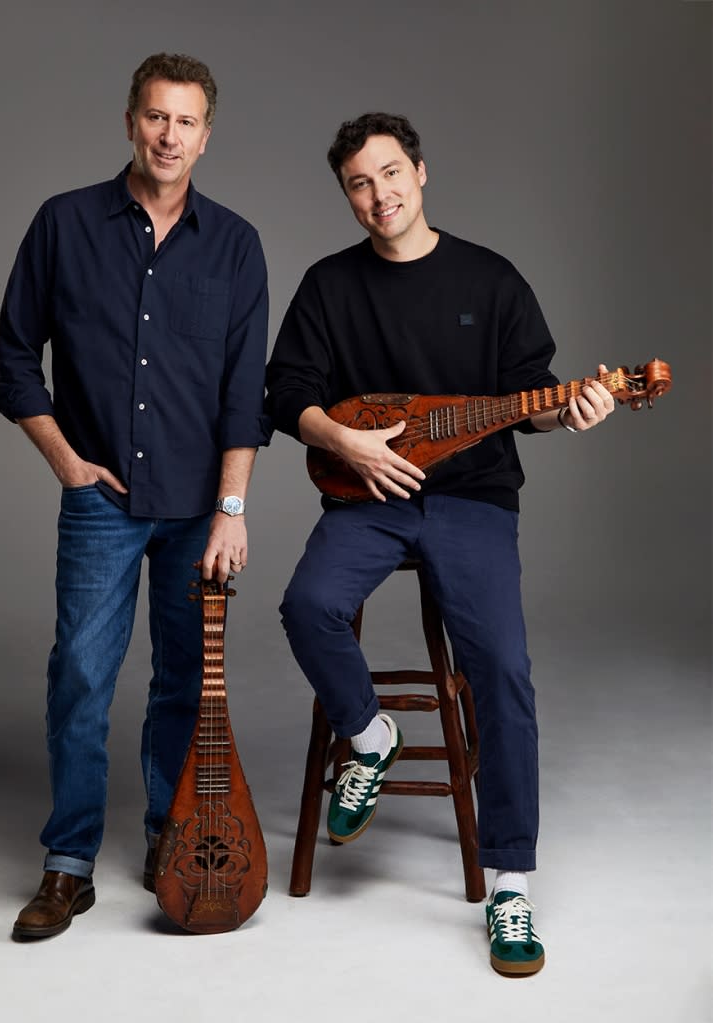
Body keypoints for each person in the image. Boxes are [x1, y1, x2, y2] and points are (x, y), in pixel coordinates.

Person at [265, 112, 615, 976]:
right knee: (307, 604)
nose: (378, 194)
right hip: (368, 494)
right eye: (358, 182)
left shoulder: (491, 280)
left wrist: (573, 409)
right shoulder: (328, 287)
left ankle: (511, 884)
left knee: (500, 666)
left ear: (421, 173)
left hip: (472, 501)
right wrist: (347, 444)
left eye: (390, 173)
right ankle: (370, 735)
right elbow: (288, 395)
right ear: (347, 197)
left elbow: (531, 395)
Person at [0, 53, 269, 941]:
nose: (168, 135)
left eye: (185, 121)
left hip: (198, 509)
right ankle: (69, 863)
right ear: (129, 122)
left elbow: (244, 394)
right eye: (155, 116)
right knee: (80, 673)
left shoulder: (235, 244)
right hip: (103, 500)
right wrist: (66, 460)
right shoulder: (64, 223)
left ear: (206, 135)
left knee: (185, 684)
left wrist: (231, 508)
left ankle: (169, 838)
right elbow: (11, 361)